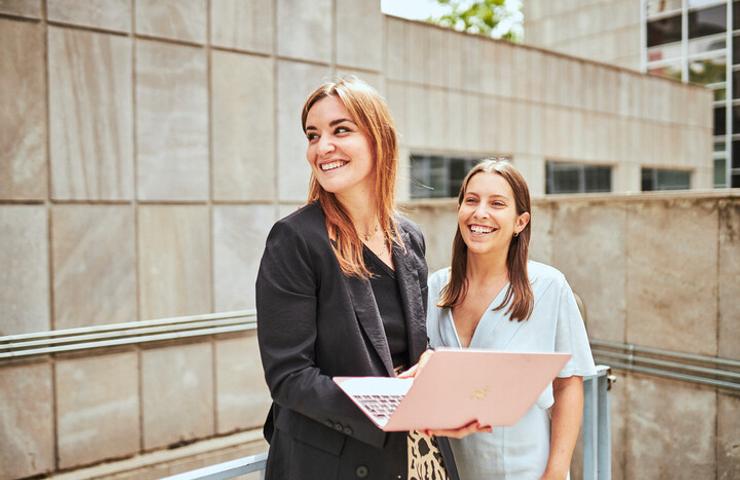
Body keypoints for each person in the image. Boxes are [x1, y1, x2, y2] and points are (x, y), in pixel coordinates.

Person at [256, 76, 458, 480]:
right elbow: (290, 378)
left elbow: (413, 346)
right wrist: (392, 404)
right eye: (313, 135)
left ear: (378, 138)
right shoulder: (295, 239)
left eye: (340, 130)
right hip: (332, 463)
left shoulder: (409, 237)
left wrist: (434, 374)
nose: (322, 147)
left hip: (413, 452)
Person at [425, 159, 597, 480]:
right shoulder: (435, 287)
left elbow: (569, 383)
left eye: (497, 204)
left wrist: (557, 471)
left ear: (520, 221)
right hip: (449, 468)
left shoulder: (549, 286)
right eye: (471, 200)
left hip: (526, 470)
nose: (480, 213)